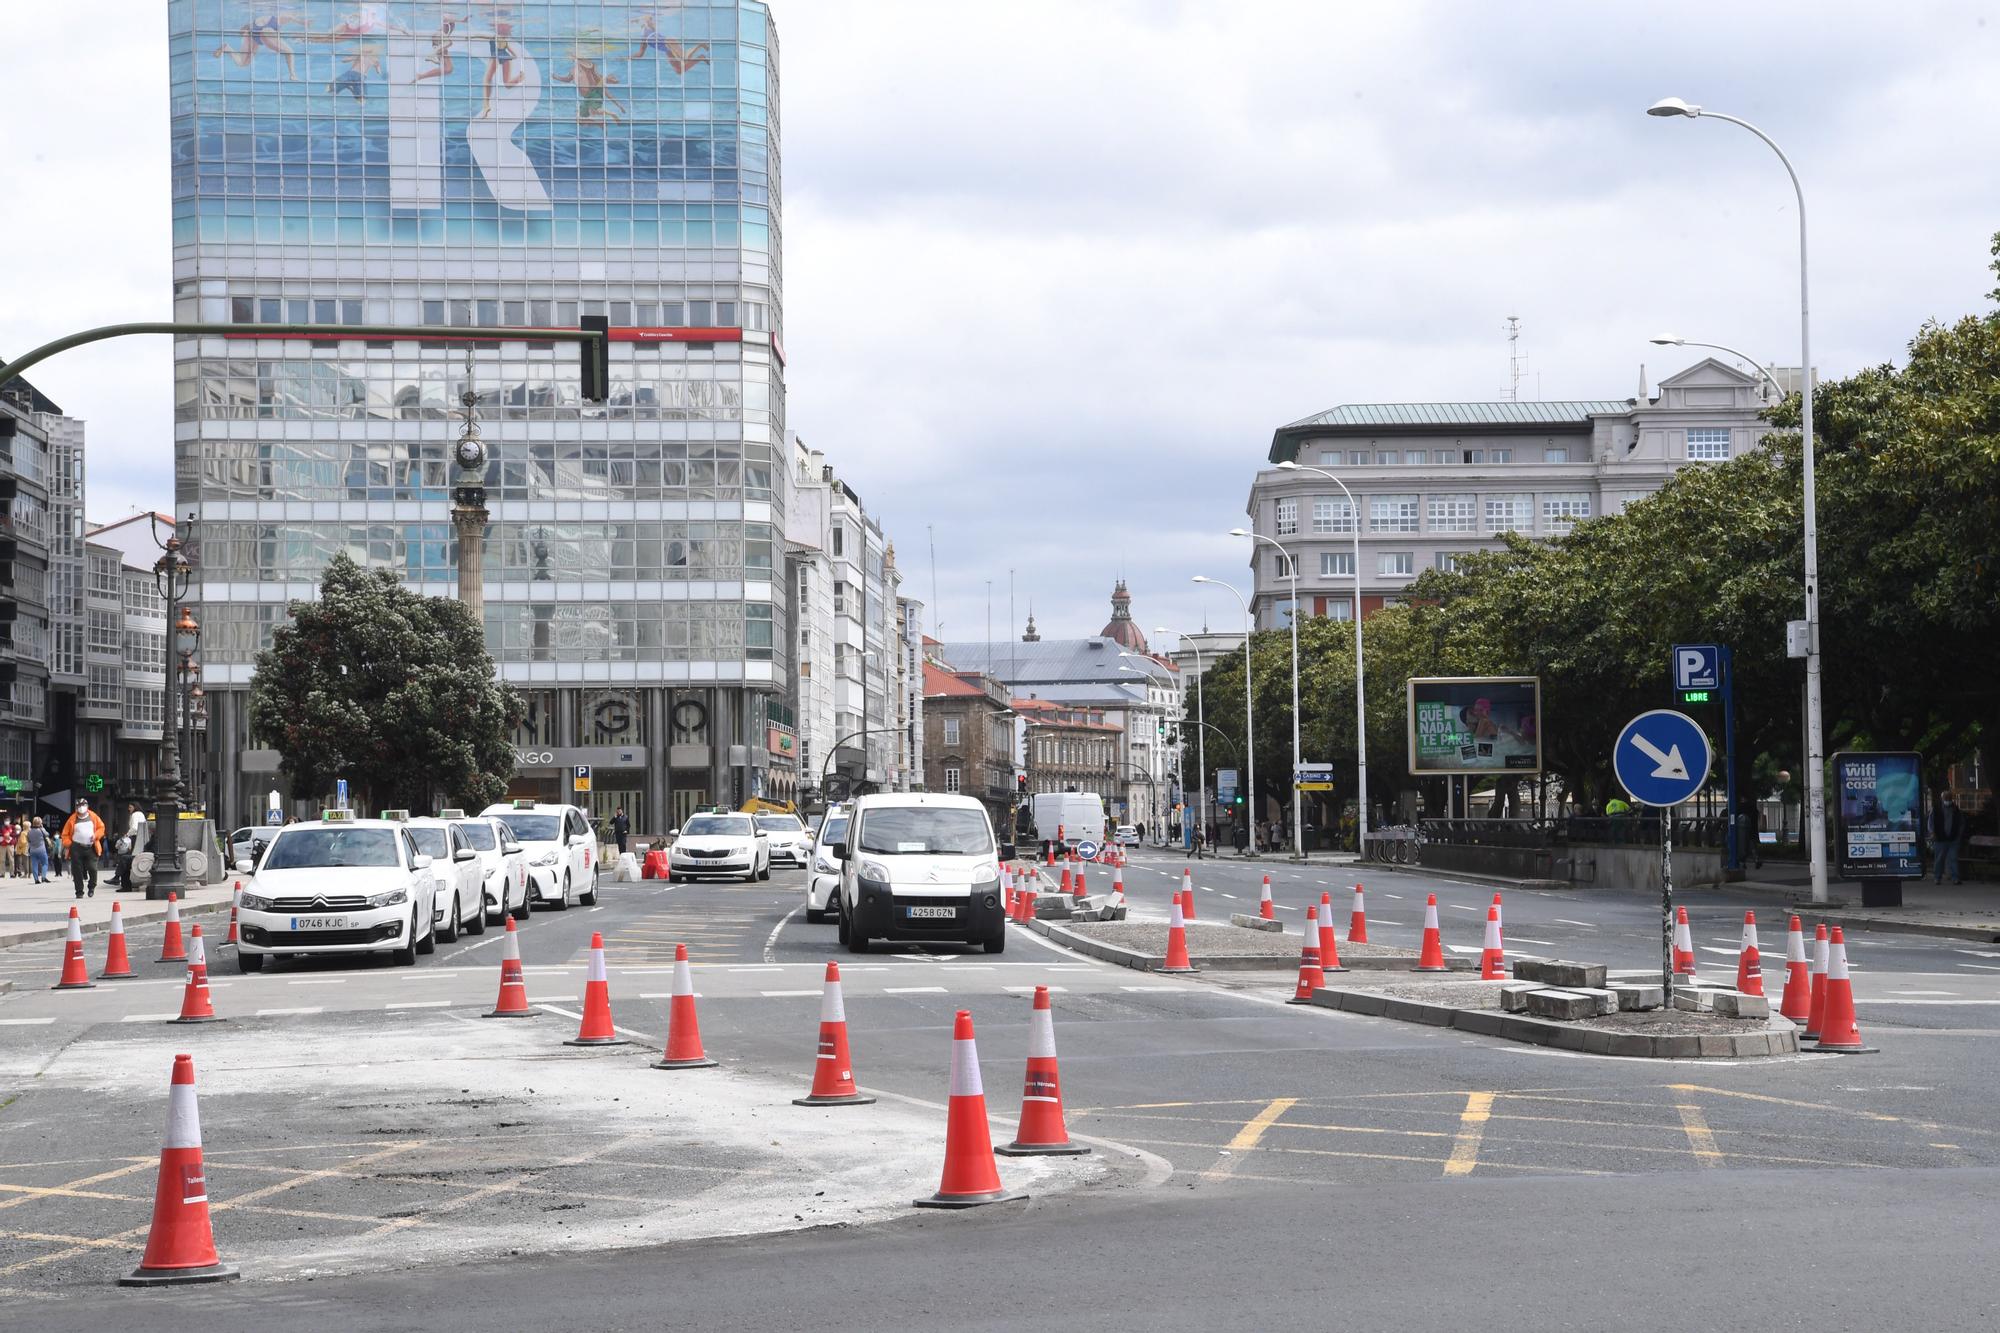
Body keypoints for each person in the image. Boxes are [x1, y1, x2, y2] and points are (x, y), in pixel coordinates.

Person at [62, 800, 107, 900]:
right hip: (76, 848)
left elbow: (101, 828)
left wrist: (96, 836)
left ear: (87, 806)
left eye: (83, 805)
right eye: (79, 805)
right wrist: (70, 844)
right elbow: (64, 835)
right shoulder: (72, 819)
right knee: (77, 871)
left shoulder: (93, 816)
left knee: (93, 868)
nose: (81, 807)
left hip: (91, 847)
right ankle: (79, 892)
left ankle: (92, 887)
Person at [1932, 792, 1966, 886]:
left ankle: (1955, 878)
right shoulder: (1936, 809)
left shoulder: (1956, 809)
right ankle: (1937, 878)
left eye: (1949, 798)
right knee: (1939, 859)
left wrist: (1959, 834)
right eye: (1946, 798)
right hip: (1940, 838)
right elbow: (1931, 822)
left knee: (1953, 859)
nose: (1947, 800)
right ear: (1942, 798)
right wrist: (1932, 833)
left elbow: (1961, 823)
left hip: (1953, 839)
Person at [117, 804, 148, 890]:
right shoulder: (141, 814)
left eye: (130, 807)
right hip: (140, 839)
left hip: (135, 838)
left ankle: (121, 881)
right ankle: (119, 879)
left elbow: (134, 827)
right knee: (128, 861)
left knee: (126, 860)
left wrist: (127, 834)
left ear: (135, 807)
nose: (128, 809)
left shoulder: (135, 815)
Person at [27, 817, 51, 884]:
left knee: (34, 864)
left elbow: (28, 840)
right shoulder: (41, 830)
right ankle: (43, 877)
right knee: (44, 863)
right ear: (40, 823)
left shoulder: (29, 831)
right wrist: (42, 828)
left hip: (32, 850)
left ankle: (36, 879)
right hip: (41, 849)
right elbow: (47, 834)